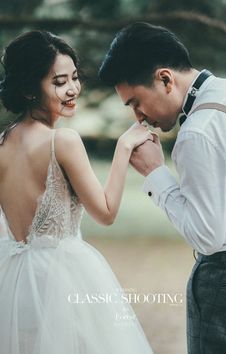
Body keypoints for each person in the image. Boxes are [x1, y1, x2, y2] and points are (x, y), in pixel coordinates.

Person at [0, 30, 155, 354]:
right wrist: (123, 147)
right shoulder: (63, 141)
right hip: (63, 280)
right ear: (29, 89)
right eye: (59, 82)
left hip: (14, 283)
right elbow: (106, 212)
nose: (73, 89)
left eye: (74, 77)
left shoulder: (2, 145)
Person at [99, 22, 226, 354]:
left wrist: (155, 174)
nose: (138, 117)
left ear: (164, 79)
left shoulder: (197, 134)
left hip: (225, 280)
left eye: (136, 102)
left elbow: (207, 236)